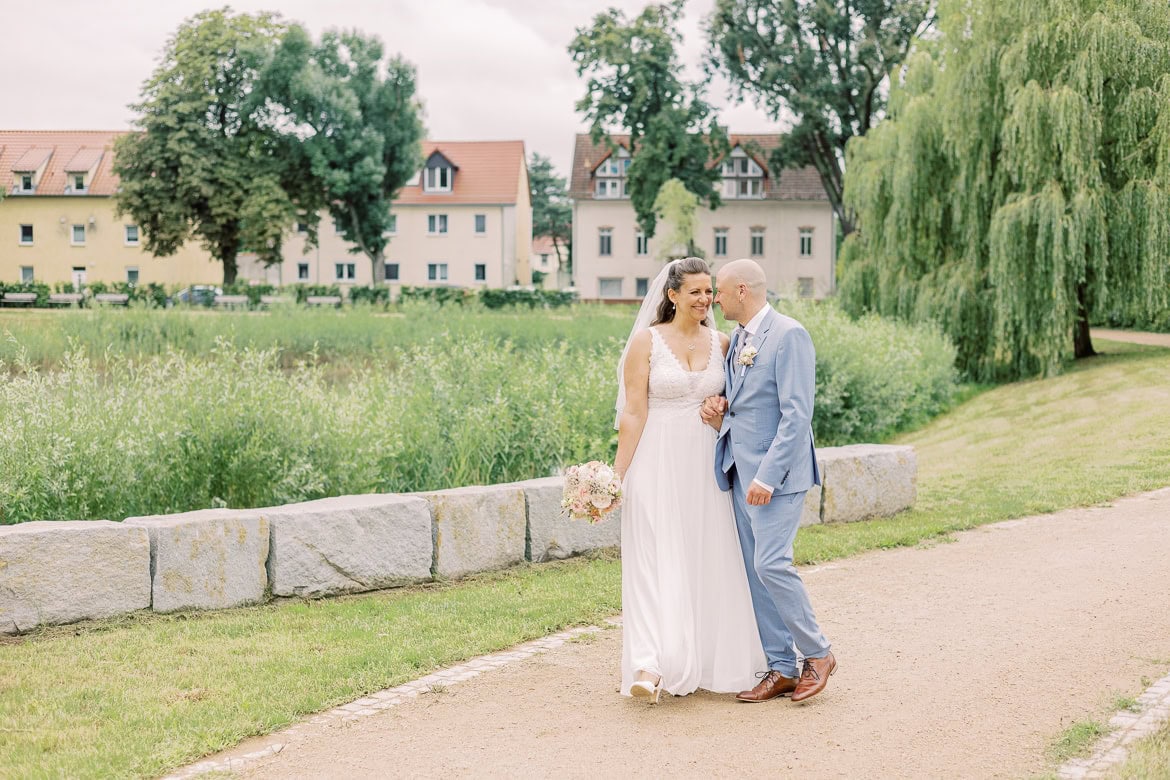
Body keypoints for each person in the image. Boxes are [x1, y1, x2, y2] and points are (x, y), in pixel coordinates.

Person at [613, 257, 766, 703]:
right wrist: (616, 477)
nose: (705, 300)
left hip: (706, 464)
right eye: (695, 292)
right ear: (672, 294)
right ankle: (649, 664)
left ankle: (707, 657)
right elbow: (634, 412)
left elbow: (738, 409)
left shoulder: (723, 342)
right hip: (656, 461)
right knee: (653, 559)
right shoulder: (646, 343)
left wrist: (720, 416)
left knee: (706, 555)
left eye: (709, 292)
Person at [701, 258, 836, 704]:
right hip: (739, 471)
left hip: (775, 477)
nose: (714, 300)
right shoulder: (739, 339)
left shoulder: (789, 335)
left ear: (741, 290)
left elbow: (797, 416)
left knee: (771, 564)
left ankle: (817, 654)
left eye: (719, 291)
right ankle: (780, 667)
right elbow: (747, 405)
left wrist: (767, 476)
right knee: (754, 573)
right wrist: (721, 411)